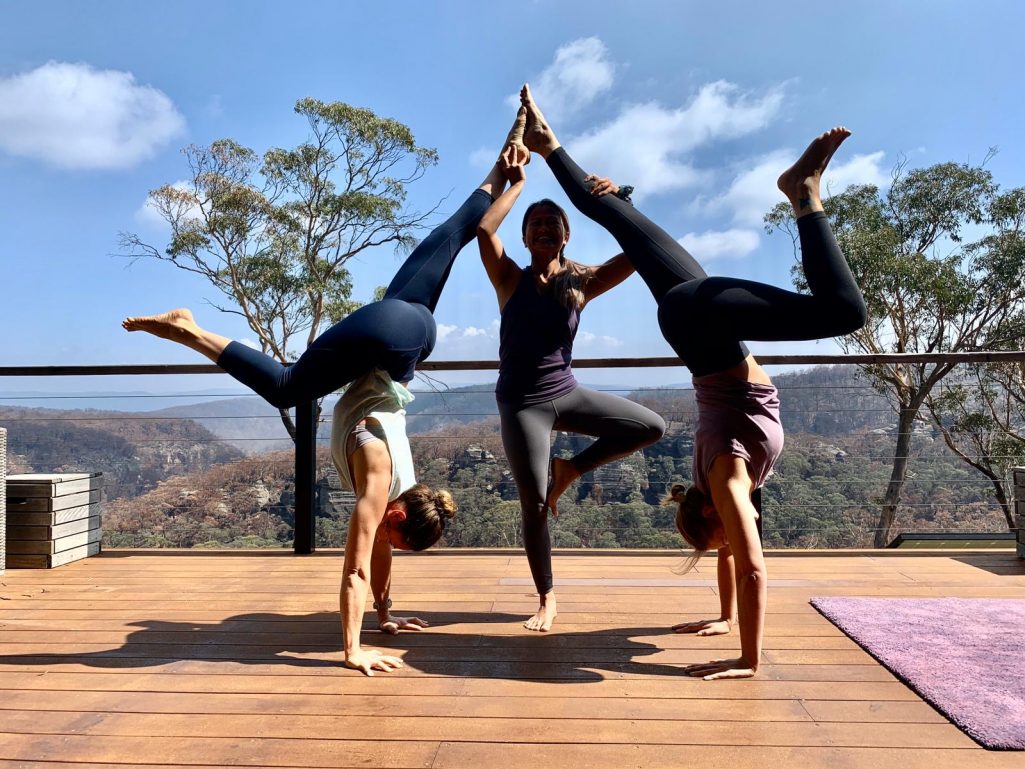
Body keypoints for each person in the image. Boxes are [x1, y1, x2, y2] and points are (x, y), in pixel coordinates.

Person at [123, 116, 524, 674]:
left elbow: (381, 552)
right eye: (398, 538)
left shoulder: (399, 496)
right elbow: (357, 566)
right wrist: (353, 649)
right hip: (391, 339)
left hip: (411, 332)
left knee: (450, 237)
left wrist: (387, 615)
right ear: (399, 517)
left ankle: (495, 172)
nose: (386, 539)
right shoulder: (380, 479)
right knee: (288, 388)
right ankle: (191, 329)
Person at [518, 83, 867, 676]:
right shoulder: (732, 487)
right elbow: (738, 557)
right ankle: (550, 147)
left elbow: (751, 565)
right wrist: (726, 620)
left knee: (844, 314)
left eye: (721, 537)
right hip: (701, 325)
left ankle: (802, 195)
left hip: (701, 324)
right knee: (618, 215)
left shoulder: (727, 475)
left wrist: (747, 660)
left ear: (712, 515)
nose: (734, 542)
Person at [476, 132, 667, 633]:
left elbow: (642, 252)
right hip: (521, 405)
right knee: (534, 504)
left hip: (567, 391)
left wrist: (618, 202)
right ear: (525, 238)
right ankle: (546, 597)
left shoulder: (581, 282)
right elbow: (483, 229)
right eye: (535, 224)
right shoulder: (509, 279)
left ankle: (571, 470)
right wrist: (516, 184)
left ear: (566, 235)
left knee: (650, 427)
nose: (544, 228)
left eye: (552, 224)